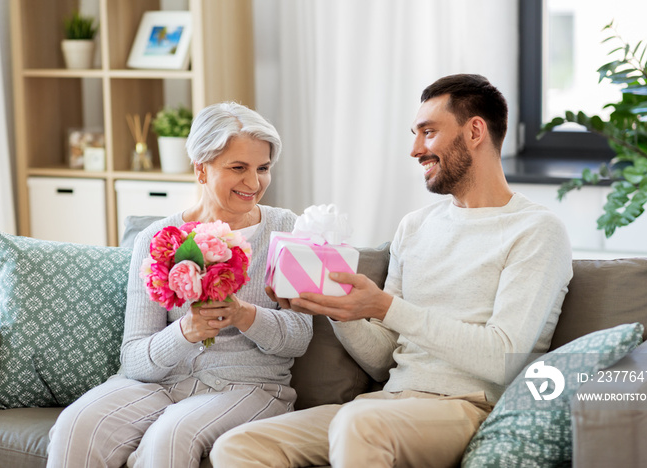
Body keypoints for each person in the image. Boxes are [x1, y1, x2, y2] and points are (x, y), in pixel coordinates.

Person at [209, 74, 574, 468]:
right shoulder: (415, 227)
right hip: (389, 404)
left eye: (428, 132)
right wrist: (340, 310)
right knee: (238, 446)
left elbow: (503, 357)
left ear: (475, 131)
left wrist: (385, 307)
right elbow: (385, 361)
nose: (416, 149)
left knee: (359, 423)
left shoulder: (536, 230)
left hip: (467, 409)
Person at [47, 102, 313, 467]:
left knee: (170, 437)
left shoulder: (287, 229)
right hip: (159, 385)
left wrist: (244, 314)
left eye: (263, 168)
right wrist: (186, 331)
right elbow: (135, 360)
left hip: (249, 387)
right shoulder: (157, 239)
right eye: (238, 168)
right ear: (201, 169)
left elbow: (300, 335)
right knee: (76, 424)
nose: (254, 183)